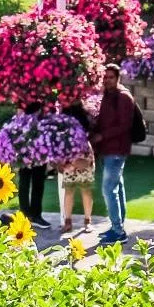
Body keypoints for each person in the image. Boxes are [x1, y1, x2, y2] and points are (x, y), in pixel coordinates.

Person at [90, 64, 143, 245]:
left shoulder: (123, 97)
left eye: (111, 77)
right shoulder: (107, 95)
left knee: (108, 189)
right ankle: (117, 226)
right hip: (107, 149)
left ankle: (118, 232)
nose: (107, 80)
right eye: (105, 77)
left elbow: (125, 126)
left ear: (118, 78)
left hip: (117, 150)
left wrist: (102, 135)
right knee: (117, 187)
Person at [58, 99, 97, 235]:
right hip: (73, 157)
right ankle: (71, 222)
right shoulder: (65, 116)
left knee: (83, 190)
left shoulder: (83, 116)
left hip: (82, 157)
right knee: (72, 191)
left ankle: (85, 221)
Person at [15, 103, 49, 230]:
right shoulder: (23, 98)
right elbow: (19, 121)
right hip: (26, 145)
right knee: (24, 180)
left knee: (39, 181)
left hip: (42, 146)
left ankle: (36, 215)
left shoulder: (45, 96)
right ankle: (25, 215)